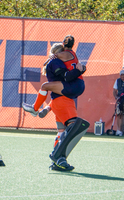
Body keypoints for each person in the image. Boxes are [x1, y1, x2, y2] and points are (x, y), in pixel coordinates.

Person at [23, 43, 89, 171]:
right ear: (59, 52)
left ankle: (57, 160)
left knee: (61, 132)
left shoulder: (54, 62)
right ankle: (59, 157)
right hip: (64, 101)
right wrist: (79, 70)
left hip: (58, 100)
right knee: (73, 128)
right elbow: (67, 77)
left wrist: (48, 108)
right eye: (64, 52)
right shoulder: (56, 61)